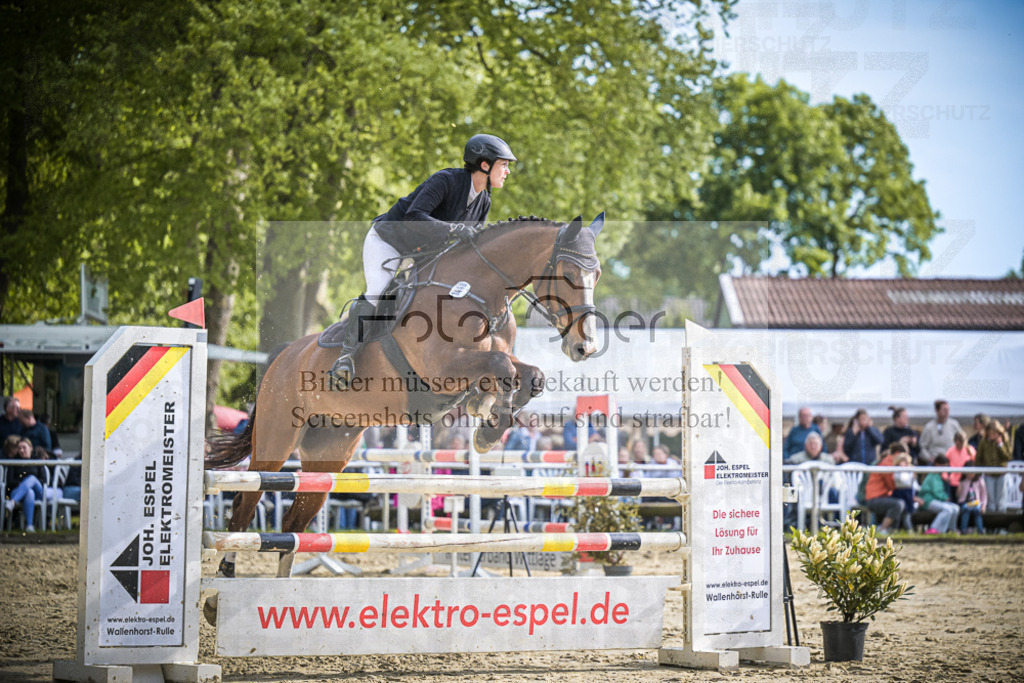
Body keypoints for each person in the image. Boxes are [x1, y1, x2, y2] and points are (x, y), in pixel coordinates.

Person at [328, 134, 517, 386]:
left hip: (422, 255)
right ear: (485, 165)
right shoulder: (445, 181)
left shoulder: (484, 199)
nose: (507, 171)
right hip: (390, 241)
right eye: (504, 165)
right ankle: (346, 357)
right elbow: (414, 216)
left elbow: (470, 245)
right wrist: (452, 231)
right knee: (378, 293)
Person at [3, 437, 50, 532]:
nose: (21, 450)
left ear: (31, 448)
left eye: (24, 447)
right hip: (18, 491)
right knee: (29, 492)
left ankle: (12, 502)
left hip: (38, 491)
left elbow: (43, 480)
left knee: (32, 479)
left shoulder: (37, 461)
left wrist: (28, 482)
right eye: (19, 448)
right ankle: (29, 525)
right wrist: (23, 484)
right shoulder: (14, 462)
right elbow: (10, 481)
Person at [863, 443, 908, 534]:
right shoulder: (887, 464)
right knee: (898, 504)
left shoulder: (888, 463)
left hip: (881, 497)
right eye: (903, 457)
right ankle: (883, 529)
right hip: (874, 499)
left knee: (902, 503)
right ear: (897, 453)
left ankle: (894, 531)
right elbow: (893, 485)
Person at [916, 454, 960, 534]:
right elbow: (936, 492)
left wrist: (945, 498)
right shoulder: (932, 475)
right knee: (947, 510)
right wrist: (945, 498)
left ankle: (951, 530)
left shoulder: (938, 476)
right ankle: (933, 529)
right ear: (937, 464)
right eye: (943, 466)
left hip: (935, 500)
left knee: (955, 508)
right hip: (927, 501)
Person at [975, 420, 1012, 512]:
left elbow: (1008, 457)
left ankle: (1002, 523)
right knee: (990, 500)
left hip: (1001, 474)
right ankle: (991, 523)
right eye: (991, 433)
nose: (992, 436)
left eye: (994, 433)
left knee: (1001, 501)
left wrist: (1000, 445)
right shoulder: (984, 442)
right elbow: (979, 458)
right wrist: (978, 474)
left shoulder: (1005, 439)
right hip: (989, 474)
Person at [918, 399, 962, 465]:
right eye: (944, 409)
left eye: (948, 409)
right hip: (935, 462)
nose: (947, 412)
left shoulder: (954, 425)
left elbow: (962, 441)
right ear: (937, 411)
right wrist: (929, 458)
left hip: (951, 460)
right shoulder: (929, 427)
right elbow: (922, 447)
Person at [943, 430, 975, 499]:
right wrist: (945, 476)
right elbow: (944, 465)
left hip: (966, 482)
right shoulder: (950, 451)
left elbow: (975, 464)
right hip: (953, 482)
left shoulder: (971, 450)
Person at [957, 462, 987, 534]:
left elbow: (984, 494)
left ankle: (980, 531)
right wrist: (959, 488)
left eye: (972, 473)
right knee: (966, 509)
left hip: (976, 502)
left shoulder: (979, 480)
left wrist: (984, 505)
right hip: (965, 503)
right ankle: (963, 530)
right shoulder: (963, 481)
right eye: (968, 473)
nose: (970, 475)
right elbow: (959, 496)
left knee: (977, 510)